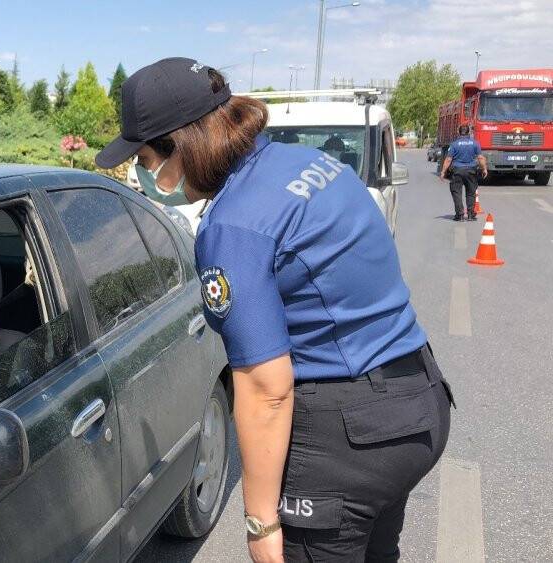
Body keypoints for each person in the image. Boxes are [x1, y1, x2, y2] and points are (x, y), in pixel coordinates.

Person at [96, 57, 454, 563]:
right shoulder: (308, 164)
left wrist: (261, 523)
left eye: (146, 157)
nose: (143, 172)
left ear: (180, 146)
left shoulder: (232, 227)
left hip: (349, 436)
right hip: (419, 400)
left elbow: (266, 388)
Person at [440, 124, 487, 221]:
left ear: (459, 132)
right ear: (469, 132)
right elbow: (480, 158)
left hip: (457, 171)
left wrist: (443, 172)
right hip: (471, 171)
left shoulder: (454, 144)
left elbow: (448, 159)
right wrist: (484, 169)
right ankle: (470, 215)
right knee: (471, 193)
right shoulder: (475, 143)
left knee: (456, 192)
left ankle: (460, 215)